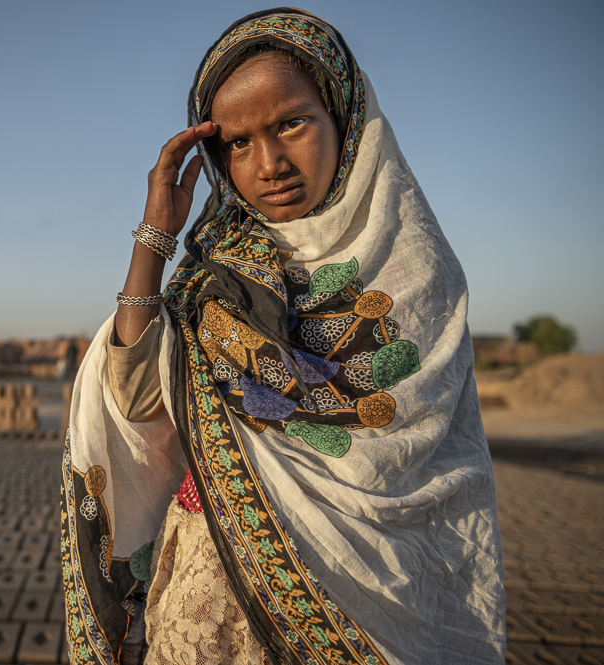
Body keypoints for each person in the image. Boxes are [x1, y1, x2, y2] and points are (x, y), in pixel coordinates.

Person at [60, 8, 505, 665]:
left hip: (386, 609)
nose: (268, 163)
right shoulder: (209, 286)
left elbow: (423, 463)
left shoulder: (418, 280)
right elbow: (134, 399)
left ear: (345, 120)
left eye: (291, 124)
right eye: (237, 143)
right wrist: (156, 235)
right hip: (207, 613)